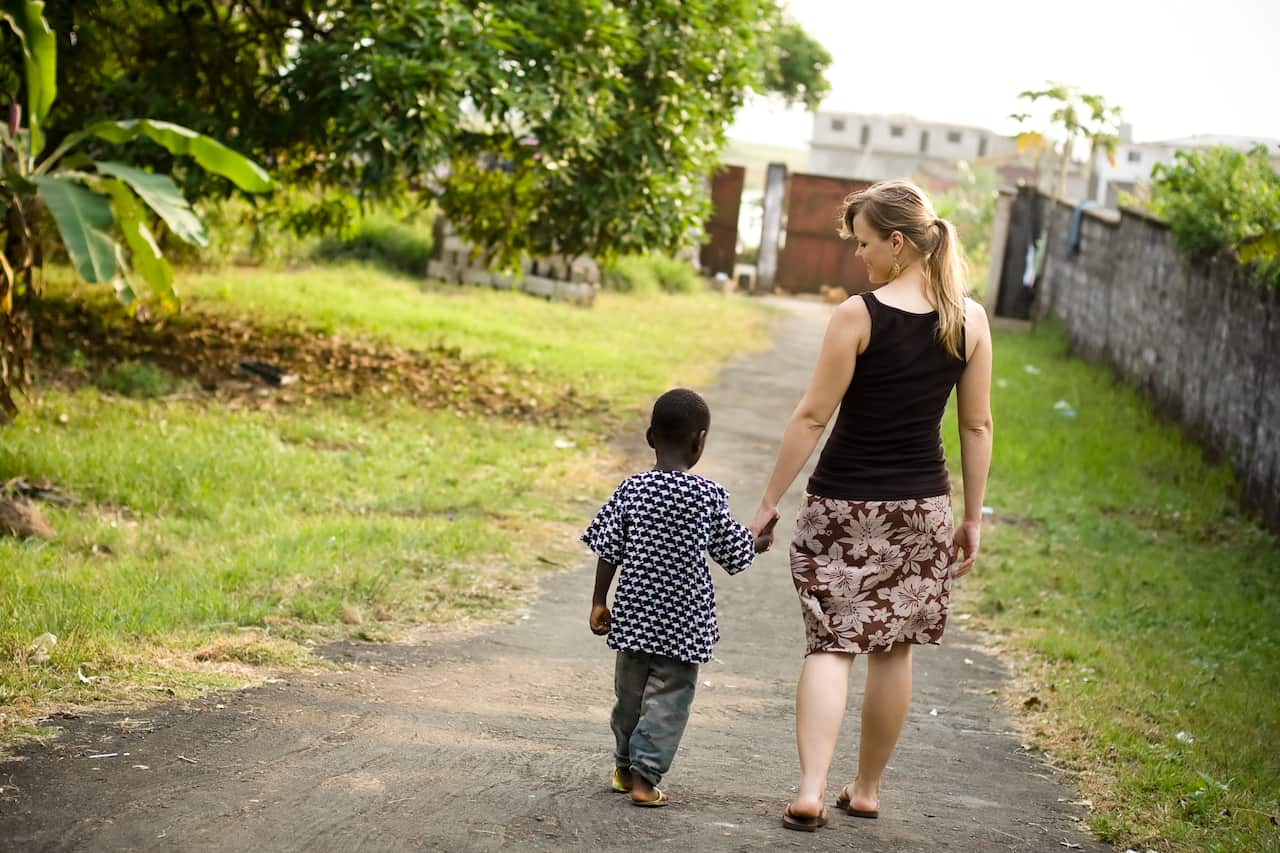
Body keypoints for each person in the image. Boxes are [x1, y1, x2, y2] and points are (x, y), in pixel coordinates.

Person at [747, 180, 994, 831]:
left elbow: (811, 414)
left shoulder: (857, 315)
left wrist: (769, 500)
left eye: (863, 244)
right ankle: (866, 789)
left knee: (831, 644)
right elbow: (977, 427)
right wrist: (971, 517)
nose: (859, 258)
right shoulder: (968, 320)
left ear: (897, 240)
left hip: (842, 507)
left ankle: (809, 787)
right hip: (922, 510)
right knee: (894, 649)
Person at [583, 388, 778, 807]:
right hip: (683, 625)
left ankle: (623, 766)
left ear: (651, 437)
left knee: (629, 698)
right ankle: (644, 778)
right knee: (669, 700)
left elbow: (608, 548)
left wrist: (600, 601)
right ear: (700, 441)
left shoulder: (630, 490)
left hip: (633, 618)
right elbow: (735, 553)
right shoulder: (706, 497)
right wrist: (760, 541)